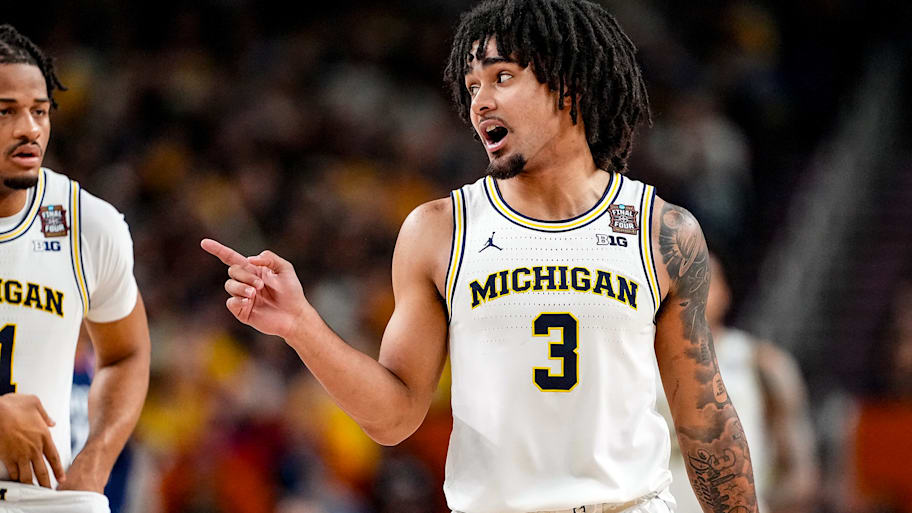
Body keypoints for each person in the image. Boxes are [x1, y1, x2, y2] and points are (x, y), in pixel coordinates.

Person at [203, 1, 759, 512]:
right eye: (471, 86)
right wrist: (301, 325)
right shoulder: (439, 231)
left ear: (569, 85)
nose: (480, 101)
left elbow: (705, 422)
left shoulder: (661, 231)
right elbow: (394, 419)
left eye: (502, 77)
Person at [0, 25, 150, 513]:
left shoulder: (88, 225)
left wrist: (96, 461)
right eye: (5, 111)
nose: (29, 129)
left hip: (45, 499)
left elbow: (127, 354)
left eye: (40, 111)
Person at [657, 253, 819, 513]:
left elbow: (800, 472)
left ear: (725, 293)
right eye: (679, 281)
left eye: (702, 280)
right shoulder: (637, 359)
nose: (689, 290)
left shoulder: (761, 362)